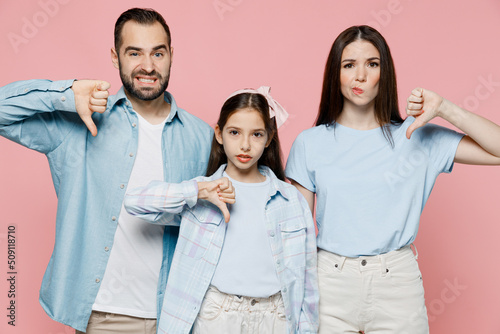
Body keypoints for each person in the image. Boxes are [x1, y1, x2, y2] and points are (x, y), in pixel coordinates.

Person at [0, 8, 213, 334]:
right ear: (115, 57)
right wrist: (65, 93)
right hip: (102, 316)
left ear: (171, 55)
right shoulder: (76, 125)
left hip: (177, 317)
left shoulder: (202, 138)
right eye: (134, 53)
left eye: (158, 52)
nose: (148, 66)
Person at [285, 25, 500, 333]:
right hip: (329, 282)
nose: (360, 76)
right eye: (349, 65)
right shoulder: (309, 143)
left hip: (397, 284)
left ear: (385, 74)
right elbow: (300, 236)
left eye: (372, 64)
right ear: (336, 74)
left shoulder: (416, 135)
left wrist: (445, 109)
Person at [124, 87, 319, 334]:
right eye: (234, 132)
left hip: (275, 317)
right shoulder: (201, 195)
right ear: (219, 133)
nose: (245, 145)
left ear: (269, 138)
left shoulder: (290, 200)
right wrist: (198, 192)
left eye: (257, 134)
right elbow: (134, 202)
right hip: (217, 316)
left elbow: (308, 277)